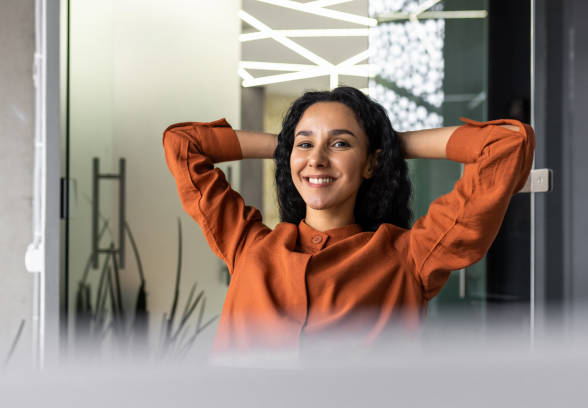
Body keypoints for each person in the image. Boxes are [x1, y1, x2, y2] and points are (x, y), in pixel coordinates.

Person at [162, 86, 535, 355]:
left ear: (371, 162)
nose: (317, 159)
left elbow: (505, 144)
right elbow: (183, 144)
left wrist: (391, 145)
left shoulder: (410, 257)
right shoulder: (247, 245)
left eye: (340, 144)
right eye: (305, 144)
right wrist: (285, 147)